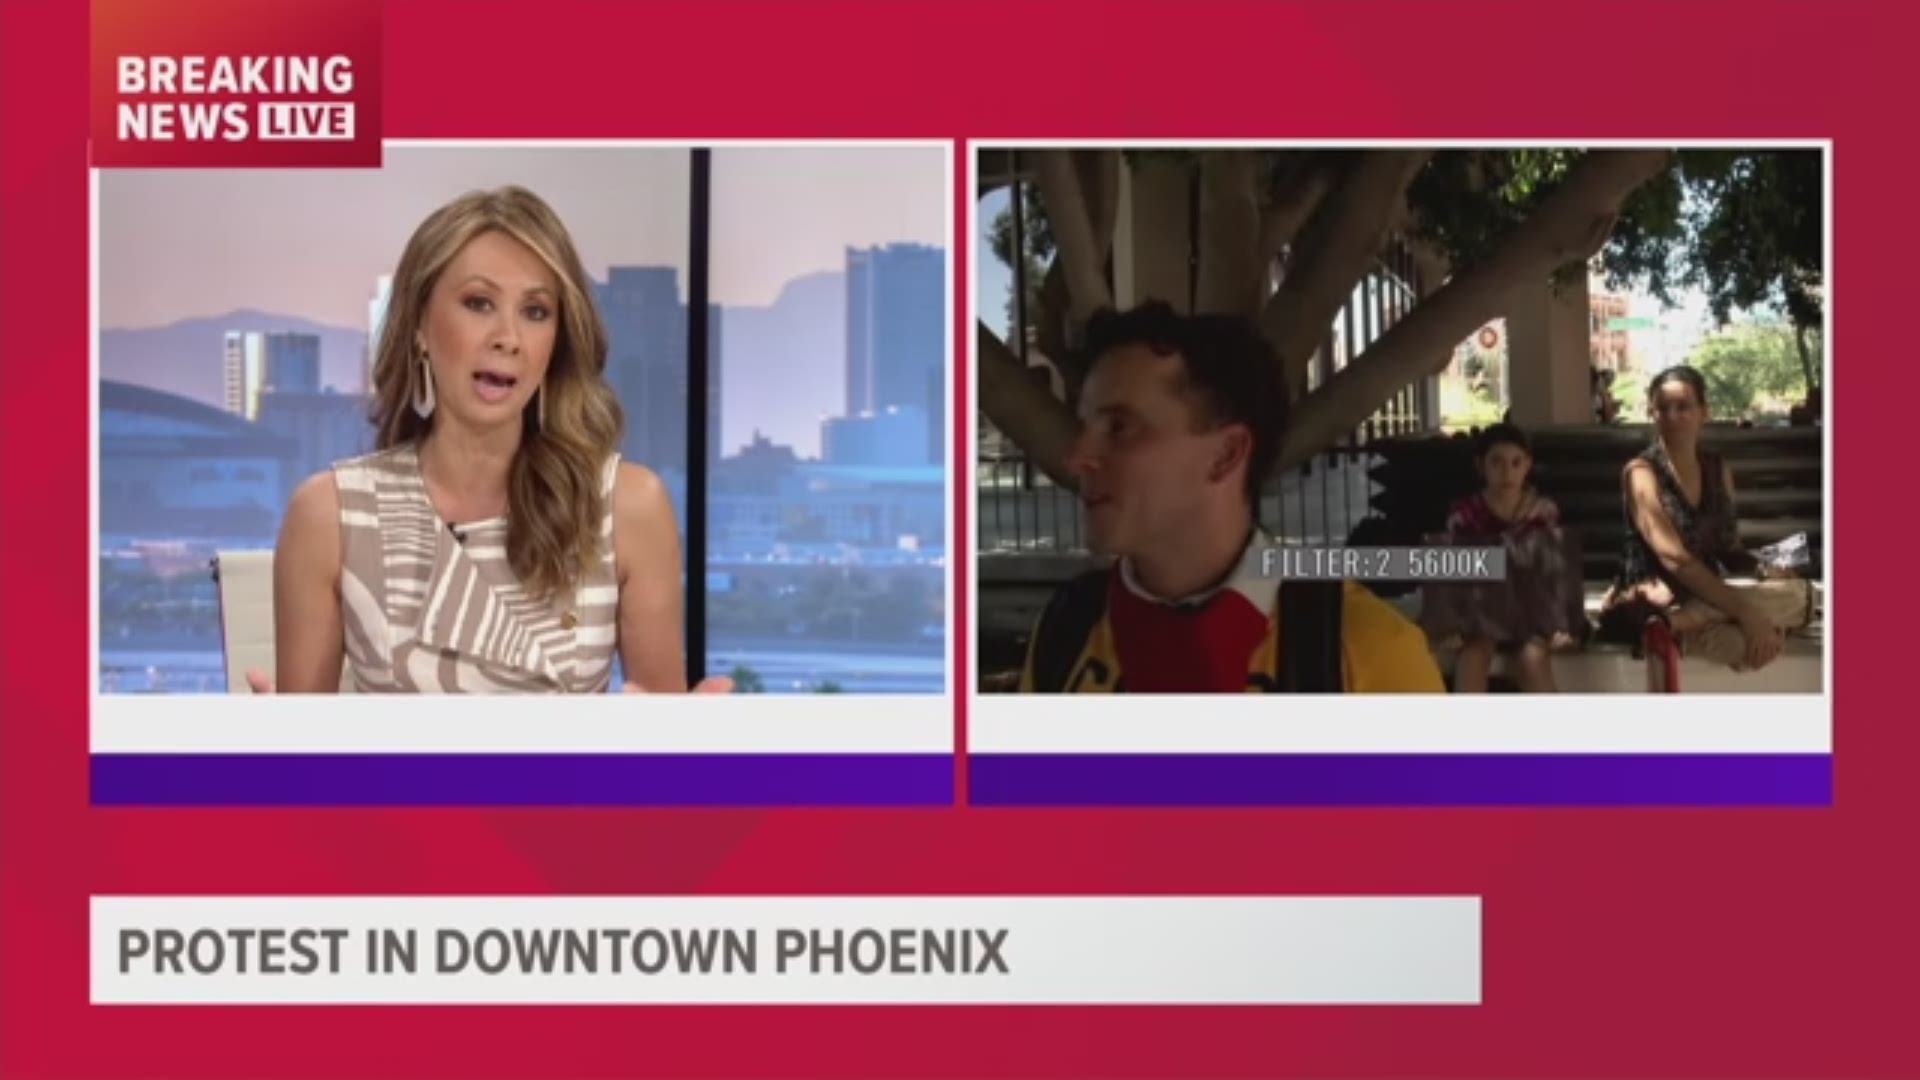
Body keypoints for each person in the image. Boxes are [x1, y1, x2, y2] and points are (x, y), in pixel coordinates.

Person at [251, 186, 729, 693]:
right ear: (418, 326)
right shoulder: (331, 515)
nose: (509, 337)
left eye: (536, 311)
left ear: (558, 340)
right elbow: (307, 761)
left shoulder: (627, 508)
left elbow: (659, 747)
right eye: (478, 303)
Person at [1018, 302, 1444, 693]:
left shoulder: (1364, 652)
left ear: (1225, 455)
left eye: (1119, 428)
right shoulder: (1067, 630)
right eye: (1085, 427)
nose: (1077, 458)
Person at [1597, 366, 1815, 671]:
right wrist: (1745, 611)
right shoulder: (1641, 472)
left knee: (1801, 594)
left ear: (1704, 413)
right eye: (1663, 408)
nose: (1673, 416)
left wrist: (1766, 569)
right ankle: (1675, 624)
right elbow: (1675, 559)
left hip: (1706, 598)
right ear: (1653, 414)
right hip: (1655, 598)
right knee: (1743, 641)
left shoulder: (1717, 469)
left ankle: (1676, 626)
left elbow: (1729, 548)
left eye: (1683, 406)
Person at [1419, 423, 1585, 692]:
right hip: (1482, 614)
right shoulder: (1465, 514)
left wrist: (1562, 623)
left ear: (1527, 465)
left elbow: (1555, 571)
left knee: (1532, 658)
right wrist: (1449, 624)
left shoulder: (1542, 512)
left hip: (1531, 612)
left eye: (1515, 462)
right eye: (1496, 462)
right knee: (1473, 656)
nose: (1507, 471)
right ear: (1480, 466)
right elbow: (1451, 571)